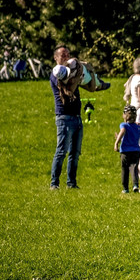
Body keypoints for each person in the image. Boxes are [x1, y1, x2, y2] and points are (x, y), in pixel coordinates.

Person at [49, 46, 83, 189]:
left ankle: (71, 183)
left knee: (75, 153)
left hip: (76, 116)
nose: (66, 57)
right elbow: (70, 88)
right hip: (64, 117)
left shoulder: (70, 71)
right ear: (56, 58)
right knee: (61, 151)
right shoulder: (57, 73)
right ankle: (54, 183)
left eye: (68, 54)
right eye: (63, 55)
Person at [113, 105, 140, 193]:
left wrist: (116, 142)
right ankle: (135, 185)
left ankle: (125, 189)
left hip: (125, 151)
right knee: (134, 168)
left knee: (125, 169)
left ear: (124, 115)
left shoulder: (124, 125)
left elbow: (123, 131)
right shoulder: (139, 127)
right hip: (135, 151)